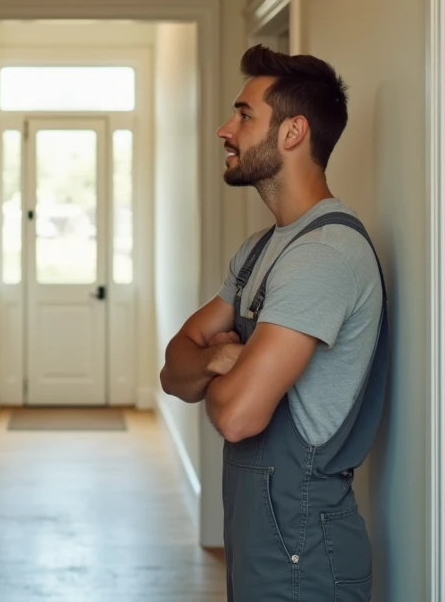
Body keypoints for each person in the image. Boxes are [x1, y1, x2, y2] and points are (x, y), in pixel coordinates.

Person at [159, 45, 388, 601]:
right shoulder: (262, 249)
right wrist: (217, 359)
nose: (225, 129)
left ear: (292, 133)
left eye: (243, 114)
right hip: (265, 538)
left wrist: (217, 380)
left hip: (303, 549)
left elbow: (237, 416)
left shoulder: (325, 254)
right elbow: (173, 368)